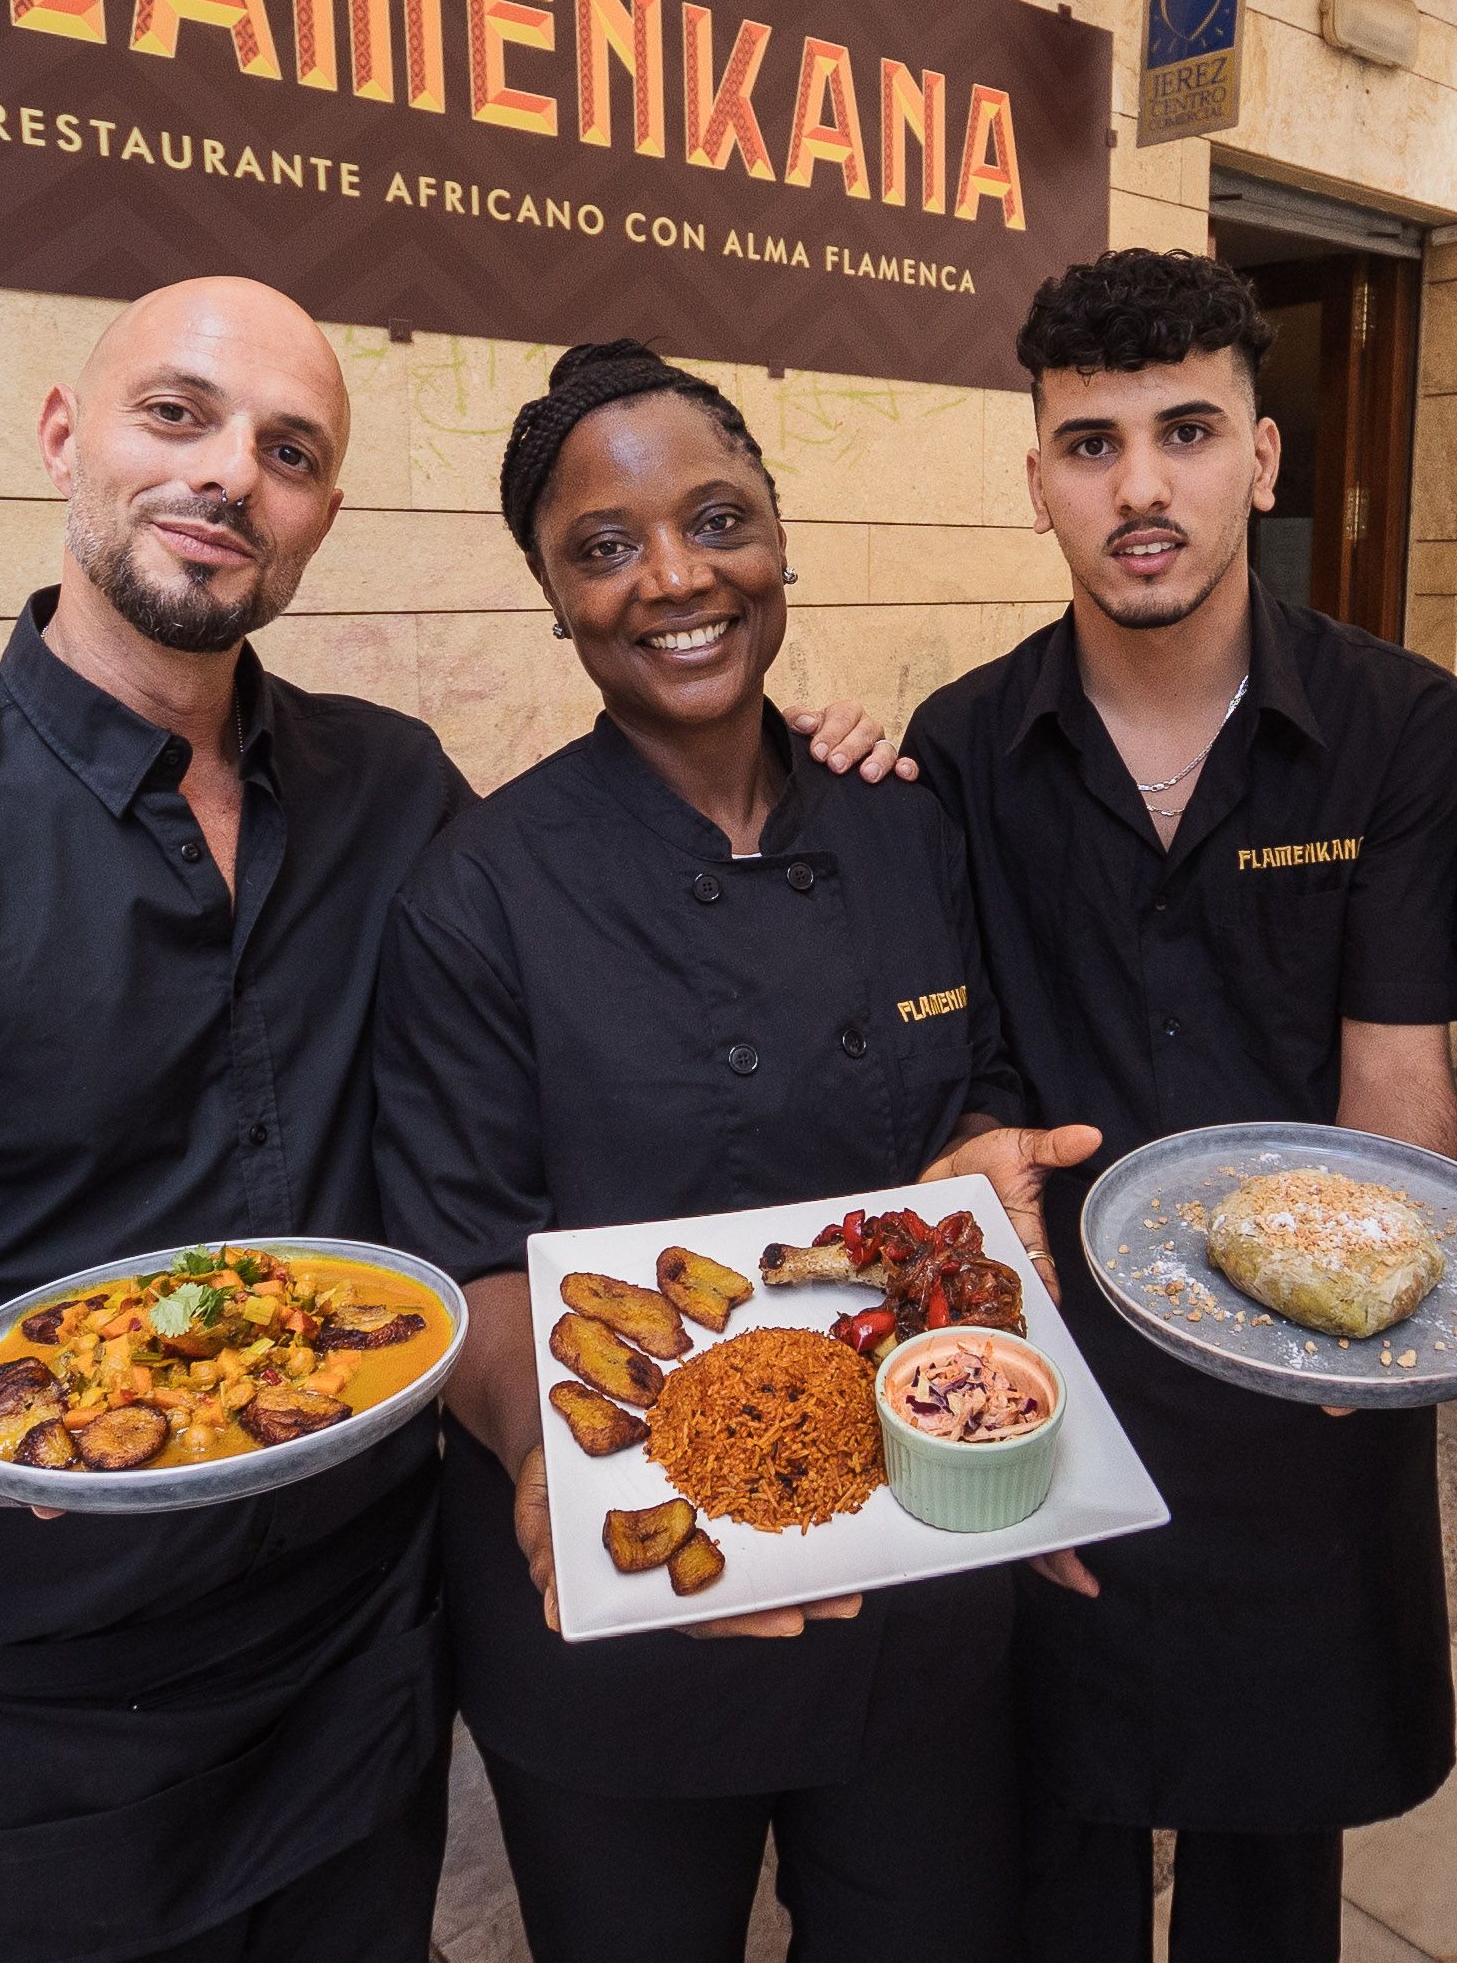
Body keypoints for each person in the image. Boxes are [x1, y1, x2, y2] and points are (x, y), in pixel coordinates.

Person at [0, 280, 908, 1963]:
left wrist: (819, 761)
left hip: (365, 1660)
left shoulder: (391, 792)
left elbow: (603, 943)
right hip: (55, 1703)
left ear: (319, 514)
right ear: (62, 439)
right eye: (177, 415)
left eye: (290, 450)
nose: (231, 474)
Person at [374, 339, 1096, 1963]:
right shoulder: (479, 893)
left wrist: (995, 1173)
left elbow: (970, 1087)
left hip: (916, 1559)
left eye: (719, 520)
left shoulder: (908, 819)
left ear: (782, 540)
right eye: (605, 550)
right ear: (552, 599)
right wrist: (550, 1458)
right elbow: (465, 1255)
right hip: (627, 1591)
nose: (676, 579)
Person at [903, 250, 1457, 1963]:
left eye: (1186, 431)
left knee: (1268, 1895)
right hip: (1057, 1397)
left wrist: (1363, 1355)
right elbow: (968, 1088)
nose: (1140, 488)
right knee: (1051, 1875)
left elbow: (1397, 1082)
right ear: (1037, 480)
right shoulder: (960, 748)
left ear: (1266, 458)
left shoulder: (1394, 725)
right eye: (1090, 444)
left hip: (1304, 1412)